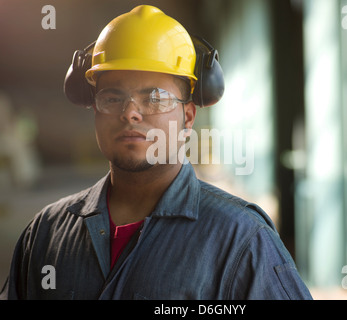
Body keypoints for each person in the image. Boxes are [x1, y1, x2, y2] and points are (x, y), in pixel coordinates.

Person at [0, 5, 312, 300]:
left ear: (187, 116)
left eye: (154, 98)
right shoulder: (45, 234)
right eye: (112, 97)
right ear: (94, 108)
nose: (130, 113)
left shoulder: (241, 239)